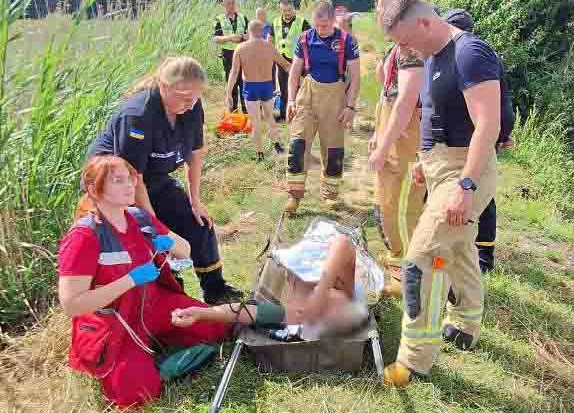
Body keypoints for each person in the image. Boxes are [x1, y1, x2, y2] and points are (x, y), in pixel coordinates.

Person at [380, 0, 506, 386]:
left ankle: (414, 360)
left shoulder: (470, 53)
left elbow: (489, 125)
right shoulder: (434, 56)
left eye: (404, 40)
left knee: (421, 258)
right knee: (459, 249)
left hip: (467, 170)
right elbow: (436, 115)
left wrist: (465, 184)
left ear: (423, 22)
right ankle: (466, 324)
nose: (404, 50)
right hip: (440, 166)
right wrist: (424, 160)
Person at [58, 155, 229, 408]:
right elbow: (72, 305)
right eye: (118, 181)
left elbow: (186, 250)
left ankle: (158, 349)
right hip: (113, 320)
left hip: (153, 302)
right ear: (94, 190)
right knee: (137, 395)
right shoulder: (84, 236)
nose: (130, 186)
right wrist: (130, 279)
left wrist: (167, 243)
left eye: (130, 179)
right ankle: (152, 363)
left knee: (216, 328)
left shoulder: (139, 217)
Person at [88, 56, 241, 305]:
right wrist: (155, 226)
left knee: (200, 224)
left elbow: (195, 155)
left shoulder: (191, 107)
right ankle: (169, 299)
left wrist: (195, 201)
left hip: (154, 178)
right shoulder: (137, 116)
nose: (190, 105)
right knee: (152, 242)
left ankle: (216, 290)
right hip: (115, 187)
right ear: (164, 86)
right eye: (184, 98)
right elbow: (133, 177)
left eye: (194, 98)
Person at [172, 235, 367, 340]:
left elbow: (244, 312)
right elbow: (342, 244)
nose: (290, 278)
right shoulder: (342, 298)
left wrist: (201, 313)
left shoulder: (299, 315)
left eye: (293, 276)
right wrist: (200, 313)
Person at [442, 8, 515, 274]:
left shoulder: (468, 56)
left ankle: (482, 257)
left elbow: (494, 104)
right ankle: (481, 255)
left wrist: (500, 134)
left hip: (475, 136)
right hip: (484, 132)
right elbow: (504, 101)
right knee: (483, 194)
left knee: (478, 192)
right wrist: (505, 132)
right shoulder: (485, 53)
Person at [369, 0, 426, 296]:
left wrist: (386, 143)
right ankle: (396, 262)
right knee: (387, 203)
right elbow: (388, 95)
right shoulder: (397, 47)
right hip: (393, 133)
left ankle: (408, 276)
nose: (377, 13)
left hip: (406, 140)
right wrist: (379, 136)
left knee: (403, 207)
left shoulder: (410, 49)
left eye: (379, 6)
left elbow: (406, 101)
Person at [285, 0, 361, 214]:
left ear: (333, 20)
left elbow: (355, 77)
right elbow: (294, 72)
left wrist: (350, 106)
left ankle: (330, 194)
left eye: (325, 25)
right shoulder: (304, 39)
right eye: (317, 25)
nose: (321, 29)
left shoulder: (347, 41)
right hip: (307, 95)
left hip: (335, 97)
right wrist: (291, 99)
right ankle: (294, 195)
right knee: (297, 145)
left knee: (333, 149)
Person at [225, 20, 290, 161]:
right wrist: (301, 78)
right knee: (270, 118)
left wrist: (228, 92)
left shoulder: (241, 48)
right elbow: (285, 65)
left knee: (255, 122)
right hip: (266, 85)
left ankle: (260, 154)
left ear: (249, 31)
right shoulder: (269, 47)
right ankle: (277, 145)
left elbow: (234, 72)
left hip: (250, 87)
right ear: (262, 32)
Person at [273, 0, 311, 121]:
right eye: (284, 10)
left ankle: (300, 114)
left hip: (298, 61)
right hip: (281, 61)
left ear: (294, 9)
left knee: (299, 88)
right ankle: (285, 114)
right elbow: (270, 41)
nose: (287, 13)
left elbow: (310, 42)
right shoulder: (275, 22)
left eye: (289, 10)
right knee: (284, 88)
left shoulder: (303, 22)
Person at [214, 0, 249, 113]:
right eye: (228, 3)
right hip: (228, 55)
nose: (232, 5)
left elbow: (250, 35)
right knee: (231, 83)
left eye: (233, 2)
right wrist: (230, 38)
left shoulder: (243, 18)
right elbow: (216, 39)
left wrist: (244, 37)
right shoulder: (220, 19)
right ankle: (233, 111)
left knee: (244, 82)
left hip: (243, 53)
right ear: (224, 4)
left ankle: (247, 111)